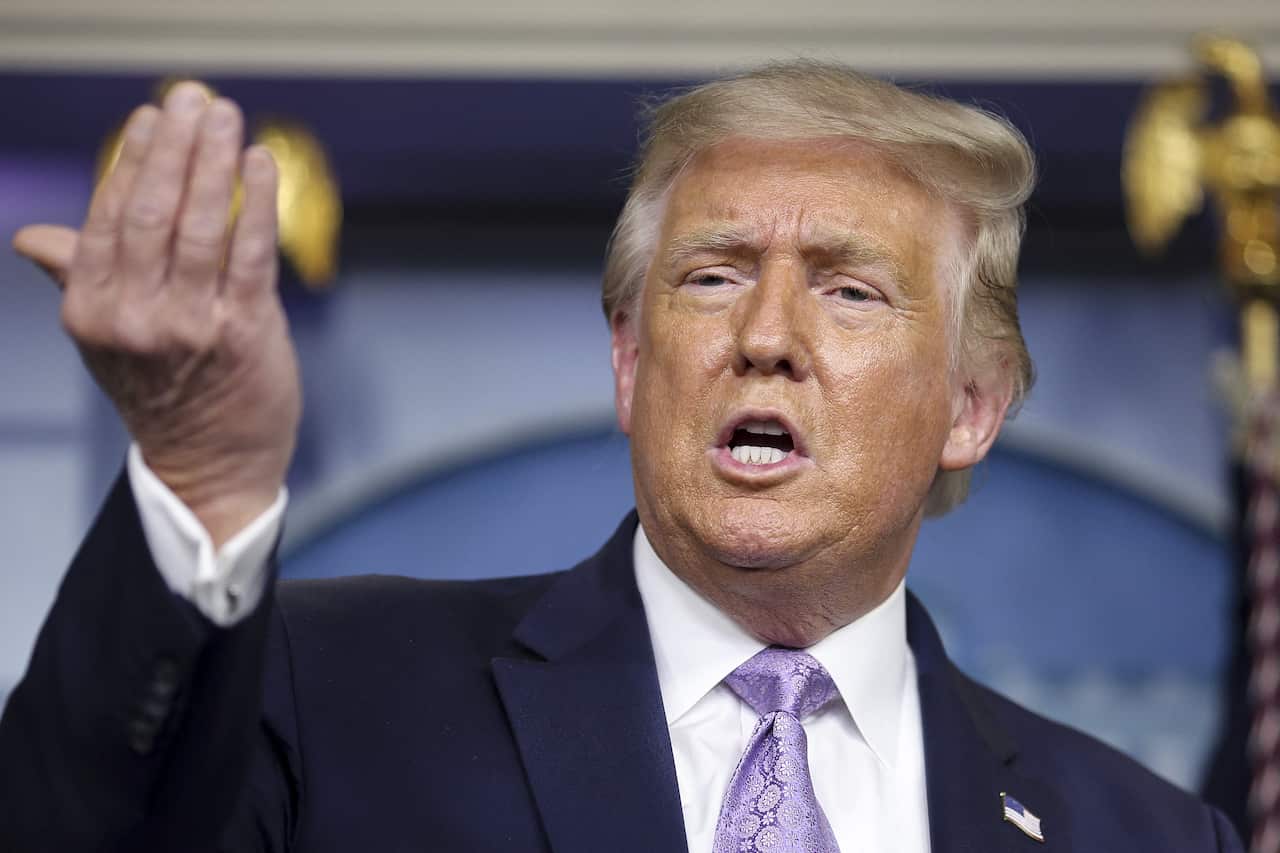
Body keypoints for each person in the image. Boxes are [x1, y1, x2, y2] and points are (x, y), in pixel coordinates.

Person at [0, 61, 1242, 852]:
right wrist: (204, 480)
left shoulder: (1138, 831)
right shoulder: (321, 689)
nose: (764, 336)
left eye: (849, 292)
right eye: (710, 277)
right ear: (630, 364)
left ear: (969, 406)